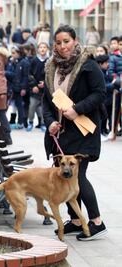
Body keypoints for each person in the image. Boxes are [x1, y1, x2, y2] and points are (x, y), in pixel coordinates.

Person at [43, 25, 107, 241]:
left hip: (84, 130)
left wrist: (76, 109)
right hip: (60, 134)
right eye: (58, 43)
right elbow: (46, 102)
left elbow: (100, 94)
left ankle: (97, 222)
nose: (63, 47)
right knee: (64, 177)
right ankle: (76, 220)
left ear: (75, 40)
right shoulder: (51, 68)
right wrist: (50, 121)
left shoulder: (88, 65)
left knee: (77, 175)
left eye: (66, 42)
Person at [27, 42, 49, 132]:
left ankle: (43, 123)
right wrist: (34, 86)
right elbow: (30, 74)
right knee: (32, 106)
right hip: (35, 89)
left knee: (44, 107)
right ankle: (30, 122)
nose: (42, 49)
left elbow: (50, 75)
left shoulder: (49, 61)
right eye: (41, 47)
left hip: (45, 89)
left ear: (47, 49)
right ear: (38, 49)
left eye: (44, 47)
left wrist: (45, 83)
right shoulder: (34, 60)